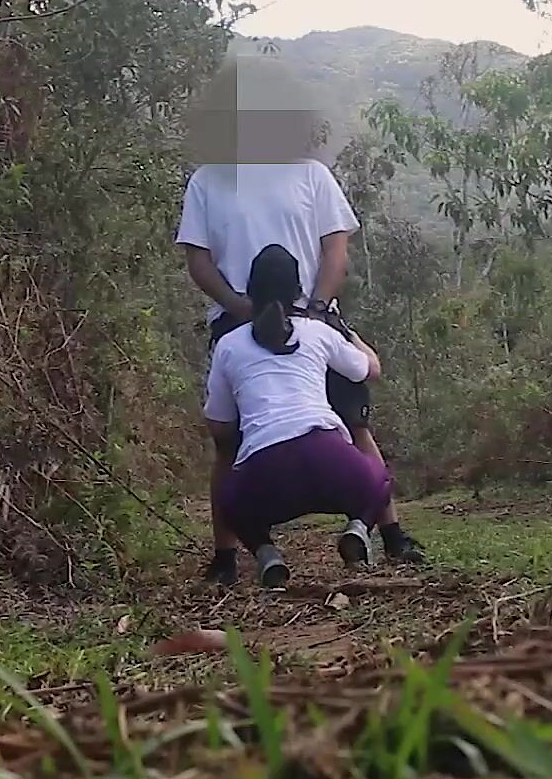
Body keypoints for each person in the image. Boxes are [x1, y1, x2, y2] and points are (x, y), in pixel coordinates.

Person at [177, 154, 424, 586]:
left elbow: (336, 248)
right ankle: (225, 557)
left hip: (312, 317)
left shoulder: (310, 173)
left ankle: (391, 535)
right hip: (239, 320)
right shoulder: (208, 181)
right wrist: (239, 307)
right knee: (229, 445)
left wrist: (317, 309)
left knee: (355, 424)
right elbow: (199, 261)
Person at [205, 245, 400, 586]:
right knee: (379, 479)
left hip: (265, 470)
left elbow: (219, 426)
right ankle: (357, 528)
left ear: (250, 291)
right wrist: (351, 335)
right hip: (328, 456)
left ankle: (266, 553)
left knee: (229, 502)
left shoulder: (229, 345)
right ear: (298, 292)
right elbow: (371, 370)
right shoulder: (317, 332)